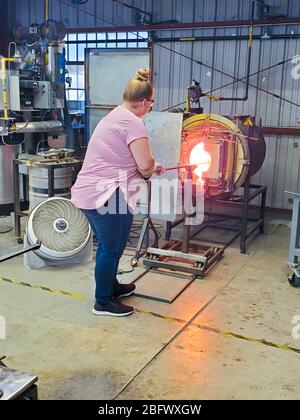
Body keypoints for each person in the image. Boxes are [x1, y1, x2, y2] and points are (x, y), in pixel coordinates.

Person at [71, 68, 164, 317]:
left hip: (109, 190)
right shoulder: (133, 123)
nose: (151, 107)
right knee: (111, 248)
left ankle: (111, 286)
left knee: (116, 243)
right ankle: (102, 302)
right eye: (151, 102)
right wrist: (150, 167)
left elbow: (126, 159)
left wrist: (151, 168)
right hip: (104, 194)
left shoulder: (116, 115)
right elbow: (144, 165)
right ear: (144, 102)